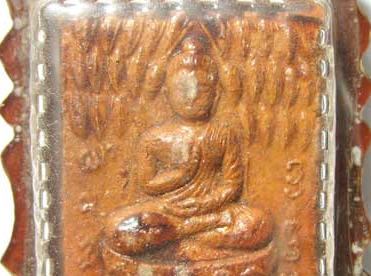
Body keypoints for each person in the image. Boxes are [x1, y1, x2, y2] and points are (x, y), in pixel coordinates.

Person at [101, 37, 273, 262]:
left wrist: (205, 203)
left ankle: (180, 236)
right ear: (167, 94)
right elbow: (148, 184)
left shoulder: (222, 134)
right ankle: (196, 239)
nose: (192, 97)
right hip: (168, 210)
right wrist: (181, 175)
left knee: (259, 223)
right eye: (183, 89)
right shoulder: (154, 138)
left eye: (202, 90)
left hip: (211, 210)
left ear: (215, 96)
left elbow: (232, 184)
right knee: (118, 228)